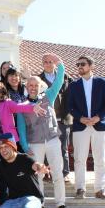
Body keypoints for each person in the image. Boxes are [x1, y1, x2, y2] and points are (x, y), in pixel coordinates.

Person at [0, 81, 44, 208]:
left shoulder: (7, 103)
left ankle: (4, 204)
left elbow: (21, 107)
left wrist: (33, 107)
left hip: (7, 145)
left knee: (4, 176)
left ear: (3, 93)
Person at [18, 53, 71, 208]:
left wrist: (59, 63)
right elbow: (21, 128)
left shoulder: (48, 96)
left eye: (36, 84)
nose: (33, 87)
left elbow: (59, 80)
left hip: (53, 140)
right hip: (35, 143)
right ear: (27, 87)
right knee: (37, 175)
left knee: (57, 173)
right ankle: (39, 204)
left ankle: (61, 204)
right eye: (30, 85)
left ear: (40, 86)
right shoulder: (22, 106)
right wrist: (26, 147)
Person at [67, 55, 105, 200]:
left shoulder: (102, 82)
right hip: (80, 126)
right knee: (80, 159)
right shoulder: (73, 85)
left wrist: (98, 117)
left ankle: (100, 189)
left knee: (100, 159)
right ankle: (80, 189)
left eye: (83, 64)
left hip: (100, 126)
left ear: (91, 66)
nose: (80, 66)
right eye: (78, 64)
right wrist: (80, 118)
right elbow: (70, 106)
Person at [38, 53, 74, 183]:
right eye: (45, 62)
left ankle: (65, 173)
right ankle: (48, 173)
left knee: (63, 147)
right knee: (48, 147)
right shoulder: (38, 79)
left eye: (50, 61)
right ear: (43, 64)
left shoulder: (66, 78)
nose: (48, 64)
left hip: (64, 117)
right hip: (46, 120)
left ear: (55, 63)